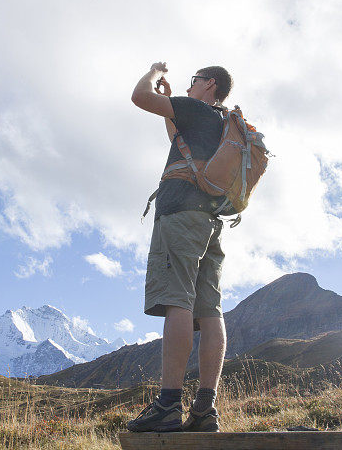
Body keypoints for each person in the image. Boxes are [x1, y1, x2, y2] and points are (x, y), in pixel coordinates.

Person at [126, 61, 233, 433]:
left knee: (178, 299)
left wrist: (154, 72)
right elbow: (177, 138)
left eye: (195, 80)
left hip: (180, 214)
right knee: (210, 308)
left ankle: (168, 404)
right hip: (209, 220)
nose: (190, 87)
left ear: (210, 84)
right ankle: (205, 409)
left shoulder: (197, 109)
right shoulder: (222, 123)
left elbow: (140, 97)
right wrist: (170, 103)